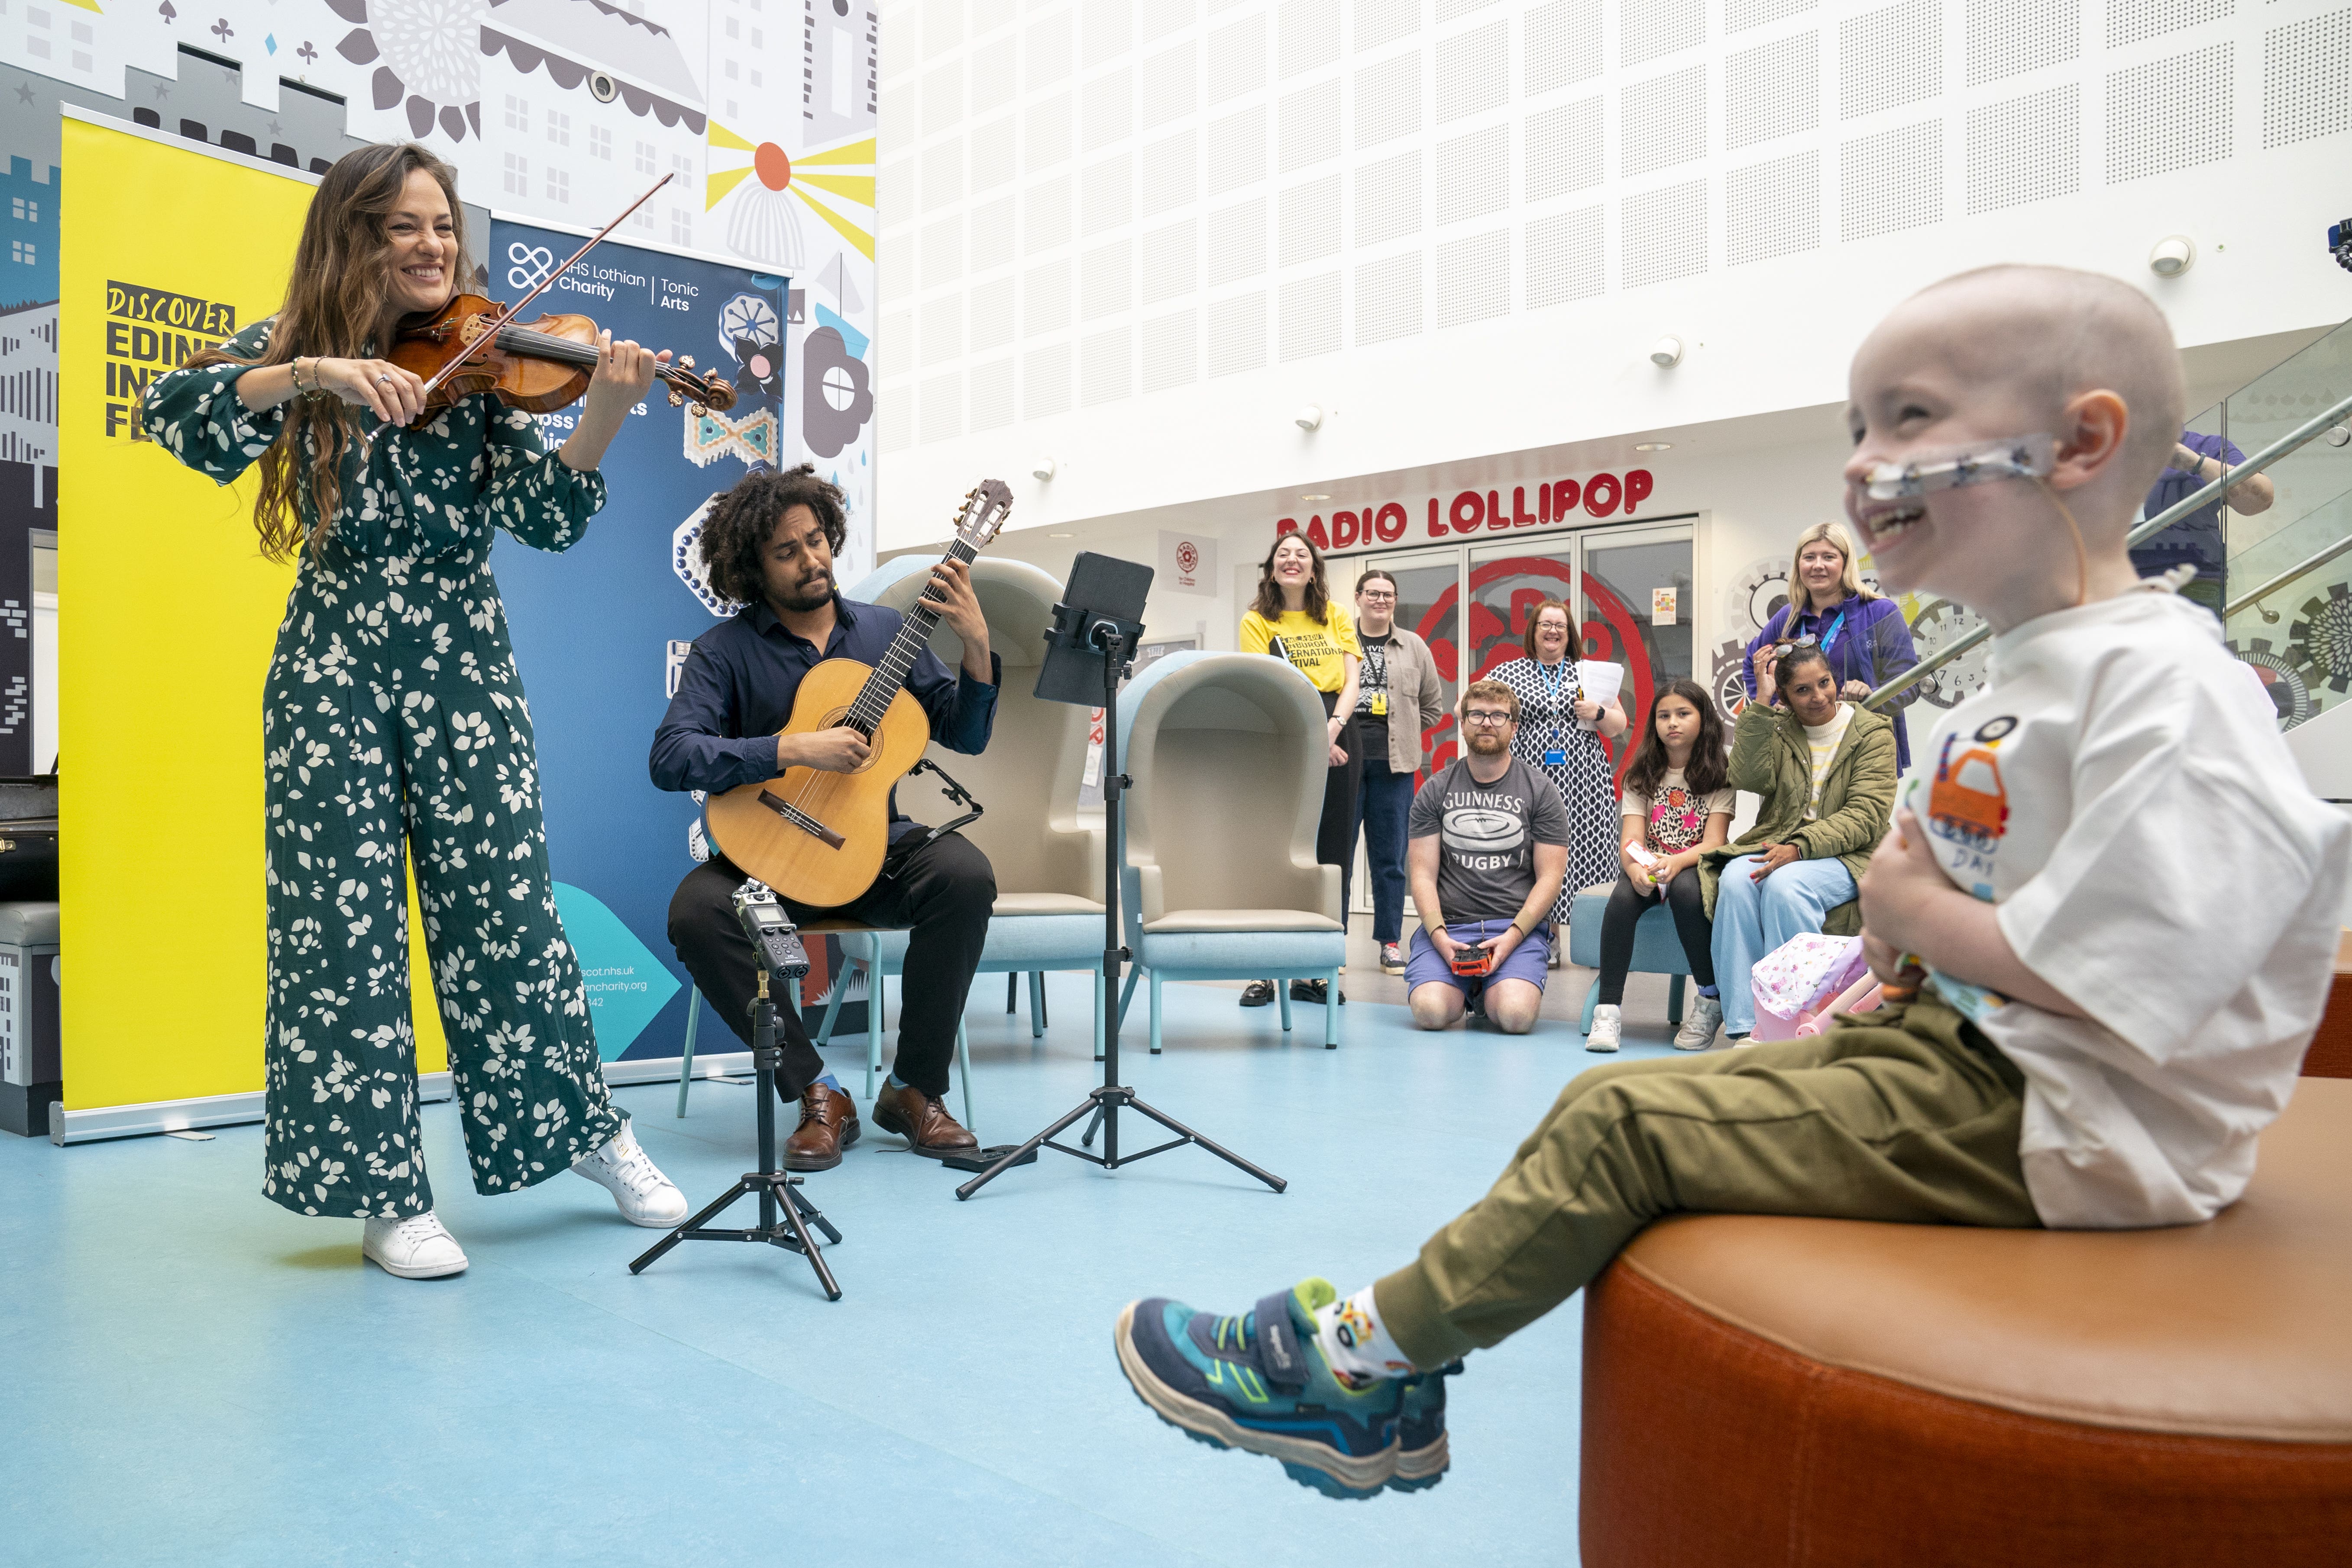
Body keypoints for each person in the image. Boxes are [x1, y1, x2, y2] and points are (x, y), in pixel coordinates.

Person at [1112, 264, 2347, 1502]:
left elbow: (2144, 981)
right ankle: (1387, 1392)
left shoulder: (2166, 691)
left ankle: (1349, 1369)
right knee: (1630, 1100)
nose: (1865, 464)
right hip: (1966, 1051)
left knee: (1616, 1120)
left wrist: (1915, 914)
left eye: (1909, 420)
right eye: (1855, 428)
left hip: (2069, 1118)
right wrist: (1898, 943)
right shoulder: (2025, 674)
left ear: (2079, 441)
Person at [139, 142, 690, 1280]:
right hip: (332, 670)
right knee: (340, 938)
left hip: (464, 671)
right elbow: (171, 410)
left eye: (442, 223)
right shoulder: (297, 350)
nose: (433, 243)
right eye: (402, 225)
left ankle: (586, 1132)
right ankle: (384, 1191)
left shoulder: (485, 362)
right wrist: (317, 375)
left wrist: (608, 413)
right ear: (353, 239)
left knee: (509, 918)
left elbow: (544, 516)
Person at [655, 465, 1000, 1170]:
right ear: (754, 566)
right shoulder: (724, 653)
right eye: (788, 552)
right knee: (696, 910)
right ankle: (818, 1088)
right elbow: (673, 757)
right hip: (770, 862)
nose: (811, 560)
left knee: (965, 875)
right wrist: (792, 748)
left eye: (816, 540)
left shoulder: (886, 633)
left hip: (869, 850)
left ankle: (913, 1089)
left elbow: (964, 734)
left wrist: (974, 646)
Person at [1706, 642, 1896, 1044]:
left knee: (1785, 886)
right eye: (1803, 690)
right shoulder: (1779, 728)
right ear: (1786, 697)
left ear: (1834, 678)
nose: (1819, 696)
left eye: (1824, 683)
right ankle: (1746, 1024)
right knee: (1737, 879)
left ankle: (1793, 1022)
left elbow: (1866, 815)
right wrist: (1759, 702)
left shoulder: (1873, 733)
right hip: (1781, 842)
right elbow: (1748, 777)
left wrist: (1800, 847)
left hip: (1852, 854)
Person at [1399, 680, 1570, 1036]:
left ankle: (1486, 990)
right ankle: (1465, 987)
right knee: (1430, 1013)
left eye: (1497, 715)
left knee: (1514, 1017)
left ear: (1514, 726)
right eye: (1476, 714)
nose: (1486, 723)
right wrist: (1439, 935)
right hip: (1451, 927)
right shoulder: (1434, 789)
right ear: (1462, 724)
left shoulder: (1540, 790)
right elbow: (1422, 874)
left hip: (1514, 929)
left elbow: (1551, 877)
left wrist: (1512, 937)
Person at [1239, 530, 1360, 1007]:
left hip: (1337, 729)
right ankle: (1264, 971)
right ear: (1272, 568)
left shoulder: (1336, 616)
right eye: (1283, 555)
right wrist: (1309, 738)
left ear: (1314, 568)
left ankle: (1320, 971)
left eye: (1301, 555)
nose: (1292, 560)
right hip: (1282, 728)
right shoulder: (1256, 620)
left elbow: (1352, 682)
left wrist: (1329, 730)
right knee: (1277, 849)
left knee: (1332, 854)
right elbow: (1262, 685)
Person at [1585, 679, 1734, 1054]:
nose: (1672, 723)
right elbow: (1631, 840)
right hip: (1648, 863)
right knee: (1621, 900)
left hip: (1692, 865)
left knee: (1686, 893)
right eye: (1663, 715)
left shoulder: (1720, 773)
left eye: (1683, 714)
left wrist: (1676, 862)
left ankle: (1709, 1001)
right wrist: (1634, 870)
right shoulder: (1642, 773)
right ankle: (1608, 1010)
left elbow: (1715, 842)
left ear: (1704, 720)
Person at [1483, 599, 1626, 963]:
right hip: (1528, 778)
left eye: (1560, 626)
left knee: (1586, 853)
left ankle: (1592, 940)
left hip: (1585, 780)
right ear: (1533, 631)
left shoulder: (1588, 673)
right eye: (1545, 624)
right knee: (1532, 854)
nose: (1552, 631)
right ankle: (1545, 937)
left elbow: (1618, 725)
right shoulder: (1509, 672)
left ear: (1570, 633)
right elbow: (1469, 706)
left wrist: (1597, 712)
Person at [1740, 521, 1921, 769]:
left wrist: (1873, 694)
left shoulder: (1880, 613)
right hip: (1800, 751)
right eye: (1809, 557)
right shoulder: (1787, 617)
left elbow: (1910, 684)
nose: (1818, 566)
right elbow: (1754, 663)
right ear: (1799, 565)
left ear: (1845, 563)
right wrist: (1774, 704)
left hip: (1863, 749)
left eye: (1829, 557)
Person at [1347, 569, 1446, 976]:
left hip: (1396, 767)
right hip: (1344, 764)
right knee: (1337, 857)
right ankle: (1334, 938)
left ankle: (1389, 942)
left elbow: (1433, 707)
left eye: (1388, 594)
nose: (1381, 600)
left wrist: (1403, 729)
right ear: (1358, 597)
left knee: (1390, 859)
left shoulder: (1414, 646)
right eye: (1373, 593)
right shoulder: (1340, 642)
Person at [2130, 429, 2275, 619]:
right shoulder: (2102, 453)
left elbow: (2257, 502)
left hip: (2195, 581)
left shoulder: (2208, 446)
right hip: (2118, 580)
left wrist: (2198, 463)